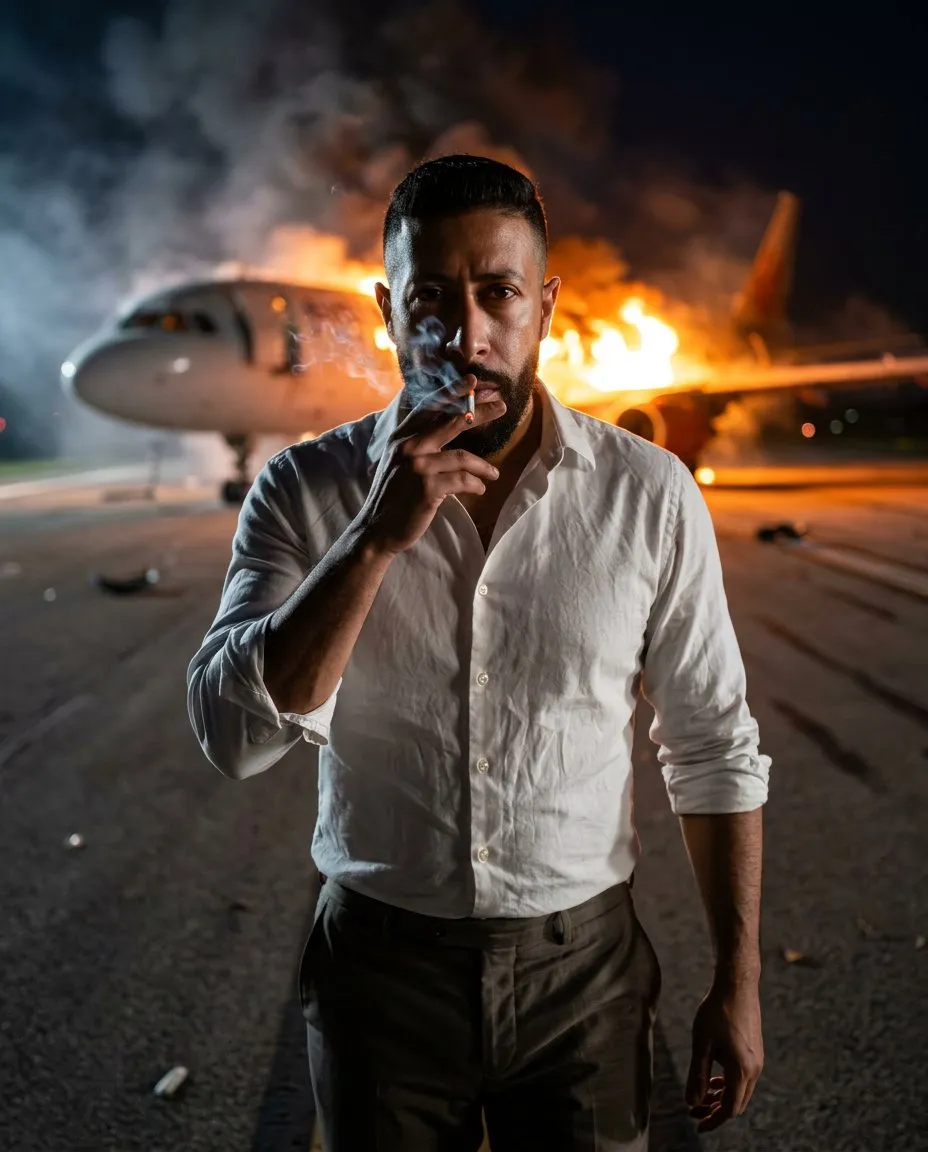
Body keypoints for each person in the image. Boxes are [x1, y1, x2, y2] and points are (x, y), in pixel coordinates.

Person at [187, 154, 770, 1151]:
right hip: (379, 972)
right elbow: (236, 740)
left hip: (582, 973)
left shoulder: (648, 493)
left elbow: (712, 743)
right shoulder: (302, 488)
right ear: (387, 309)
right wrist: (372, 538)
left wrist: (738, 983)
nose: (465, 334)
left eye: (498, 293)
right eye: (430, 299)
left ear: (543, 306)